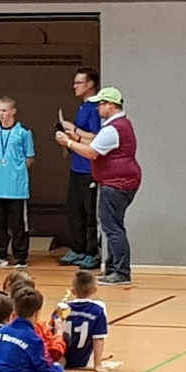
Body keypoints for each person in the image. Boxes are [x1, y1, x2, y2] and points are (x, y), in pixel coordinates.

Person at [56, 87, 141, 286]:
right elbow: (96, 141)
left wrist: (68, 143)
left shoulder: (113, 129)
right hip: (120, 182)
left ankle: (121, 272)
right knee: (113, 226)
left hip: (116, 183)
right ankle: (113, 268)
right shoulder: (119, 125)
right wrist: (76, 137)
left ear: (110, 105)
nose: (97, 108)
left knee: (113, 228)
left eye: (101, 104)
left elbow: (92, 152)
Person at [0, 287, 82, 372]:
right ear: (37, 312)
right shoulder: (33, 338)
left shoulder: (2, 331)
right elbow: (48, 370)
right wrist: (59, 370)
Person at [0, 96, 36, 268]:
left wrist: (16, 170)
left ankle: (20, 257)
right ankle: (0, 256)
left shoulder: (23, 132)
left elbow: (29, 157)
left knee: (18, 224)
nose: (1, 114)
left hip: (17, 188)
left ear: (13, 111)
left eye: (5, 110)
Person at [60, 68, 103, 270]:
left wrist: (74, 132)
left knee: (89, 212)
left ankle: (92, 252)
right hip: (76, 167)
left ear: (90, 84)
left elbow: (96, 137)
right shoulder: (82, 106)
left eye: (79, 83)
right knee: (74, 209)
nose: (74, 86)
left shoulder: (94, 108)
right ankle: (78, 248)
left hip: (89, 169)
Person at [63, 271, 108, 371]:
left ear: (73, 291)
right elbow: (99, 339)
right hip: (83, 359)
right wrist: (97, 365)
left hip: (62, 357)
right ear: (95, 290)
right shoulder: (97, 310)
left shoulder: (63, 308)